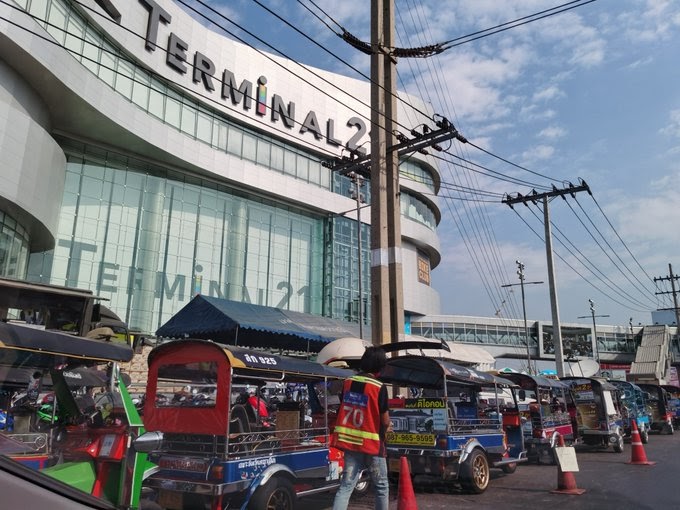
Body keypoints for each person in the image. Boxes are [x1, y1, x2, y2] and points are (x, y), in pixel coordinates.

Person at [332, 346, 391, 510]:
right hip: (372, 446)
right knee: (381, 487)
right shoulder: (379, 387)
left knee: (346, 486)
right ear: (380, 366)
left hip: (350, 444)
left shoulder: (348, 383)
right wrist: (388, 427)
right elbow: (385, 421)